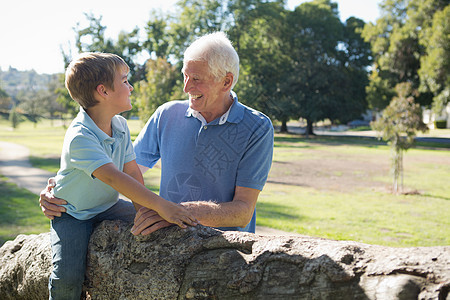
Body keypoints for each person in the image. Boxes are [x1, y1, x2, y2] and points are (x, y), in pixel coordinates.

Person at [40, 31, 273, 236]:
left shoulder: (257, 128)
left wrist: (177, 211)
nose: (186, 87)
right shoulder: (167, 114)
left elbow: (243, 211)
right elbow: (125, 173)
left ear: (226, 82)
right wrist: (61, 193)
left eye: (197, 79)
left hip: (225, 252)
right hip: (171, 244)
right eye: (185, 76)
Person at [46, 52, 197, 300]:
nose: (131, 87)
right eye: (125, 81)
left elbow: (132, 172)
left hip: (107, 206)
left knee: (157, 226)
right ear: (103, 91)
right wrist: (161, 204)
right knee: (67, 278)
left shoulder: (120, 126)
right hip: (73, 213)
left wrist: (145, 210)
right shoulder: (80, 136)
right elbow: (116, 179)